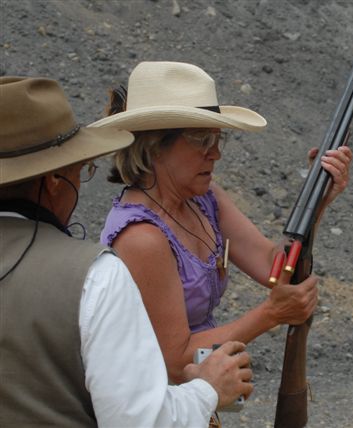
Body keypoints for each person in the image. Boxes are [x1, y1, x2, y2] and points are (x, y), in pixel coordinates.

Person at [0, 76, 253, 427]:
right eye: (80, 169)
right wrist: (208, 389)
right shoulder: (95, 275)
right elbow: (140, 420)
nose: (215, 152)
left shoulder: (200, 204)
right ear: (54, 180)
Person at [91, 61, 353, 382]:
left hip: (194, 401)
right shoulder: (141, 237)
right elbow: (174, 360)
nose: (215, 154)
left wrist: (318, 198)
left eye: (218, 140)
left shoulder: (204, 199)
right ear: (155, 146)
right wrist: (271, 314)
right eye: (202, 140)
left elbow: (273, 265)